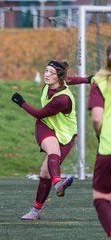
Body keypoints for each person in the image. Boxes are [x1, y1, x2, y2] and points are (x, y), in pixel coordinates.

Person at [11, 60, 93, 220]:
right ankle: (58, 183)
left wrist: (21, 102)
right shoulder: (55, 82)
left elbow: (38, 113)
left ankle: (35, 211)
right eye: (45, 70)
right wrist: (88, 79)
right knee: (52, 152)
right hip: (45, 126)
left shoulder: (62, 99)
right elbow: (73, 80)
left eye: (50, 72)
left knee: (44, 172)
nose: (46, 74)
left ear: (59, 77)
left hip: (66, 135)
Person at [88, 42, 111, 237]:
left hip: (108, 147)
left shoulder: (100, 81)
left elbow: (97, 118)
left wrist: (100, 133)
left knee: (101, 197)